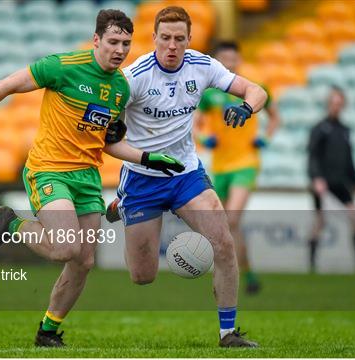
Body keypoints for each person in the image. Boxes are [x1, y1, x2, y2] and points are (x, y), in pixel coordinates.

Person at [0, 9, 184, 348]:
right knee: (67, 247)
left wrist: (147, 158)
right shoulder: (63, 67)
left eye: (126, 44)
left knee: (84, 260)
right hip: (48, 169)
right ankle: (9, 223)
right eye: (113, 42)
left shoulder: (119, 88)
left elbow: (108, 141)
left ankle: (48, 331)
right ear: (96, 39)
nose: (119, 50)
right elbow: (8, 85)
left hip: (87, 177)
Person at [105, 6, 267, 347]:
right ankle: (124, 204)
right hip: (142, 177)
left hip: (185, 174)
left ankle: (228, 333)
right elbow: (106, 132)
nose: (172, 46)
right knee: (142, 276)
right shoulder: (134, 77)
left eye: (180, 38)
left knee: (223, 243)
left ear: (190, 40)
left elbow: (258, 91)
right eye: (165, 38)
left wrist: (246, 107)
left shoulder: (203, 65)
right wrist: (114, 128)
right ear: (154, 39)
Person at [194, 41, 280, 294]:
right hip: (220, 166)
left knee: (232, 219)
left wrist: (266, 138)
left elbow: (275, 116)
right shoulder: (210, 94)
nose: (229, 63)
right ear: (218, 62)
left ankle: (235, 273)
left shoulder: (253, 89)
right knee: (226, 225)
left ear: (239, 60)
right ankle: (248, 273)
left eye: (233, 58)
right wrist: (203, 139)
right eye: (224, 59)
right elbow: (195, 125)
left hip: (246, 163)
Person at [307, 86, 355, 273]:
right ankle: (312, 265)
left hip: (340, 182)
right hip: (323, 182)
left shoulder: (345, 130)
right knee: (320, 222)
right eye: (333, 103)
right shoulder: (319, 128)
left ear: (343, 105)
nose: (336, 107)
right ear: (328, 104)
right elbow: (313, 156)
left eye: (339, 104)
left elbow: (349, 159)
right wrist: (316, 178)